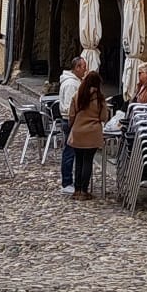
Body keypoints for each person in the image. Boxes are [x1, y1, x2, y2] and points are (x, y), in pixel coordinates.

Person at [67, 69, 107, 199]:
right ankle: (84, 190)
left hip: (78, 131)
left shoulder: (77, 96)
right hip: (92, 132)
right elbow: (103, 117)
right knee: (87, 161)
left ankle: (77, 189)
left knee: (78, 160)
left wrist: (72, 126)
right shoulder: (99, 99)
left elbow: (71, 114)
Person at [57, 55, 87, 195]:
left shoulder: (76, 82)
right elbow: (70, 107)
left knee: (71, 151)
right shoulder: (71, 84)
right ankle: (67, 182)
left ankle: (70, 181)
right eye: (83, 68)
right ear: (77, 68)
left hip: (71, 120)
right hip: (70, 121)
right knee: (69, 152)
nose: (85, 71)